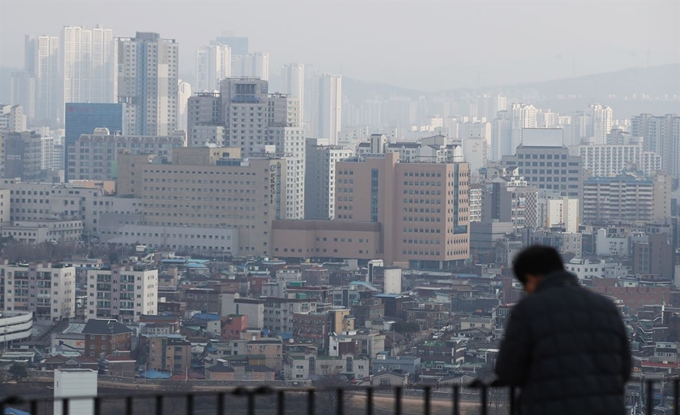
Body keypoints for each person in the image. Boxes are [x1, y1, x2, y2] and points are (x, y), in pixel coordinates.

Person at [495, 245, 631, 415]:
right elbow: (625, 368)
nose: (526, 290)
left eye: (524, 284)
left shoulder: (528, 310)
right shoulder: (607, 307)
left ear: (532, 278)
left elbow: (508, 370)